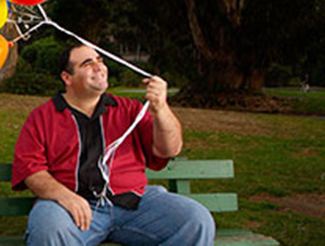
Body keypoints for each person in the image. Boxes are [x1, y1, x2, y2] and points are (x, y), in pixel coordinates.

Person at [12, 43, 215, 246]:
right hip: (72, 208)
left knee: (196, 220)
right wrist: (64, 196)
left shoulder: (129, 110)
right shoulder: (43, 117)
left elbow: (169, 149)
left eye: (100, 60)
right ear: (67, 78)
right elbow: (30, 168)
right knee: (48, 227)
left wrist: (161, 109)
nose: (99, 67)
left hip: (134, 204)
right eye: (87, 63)